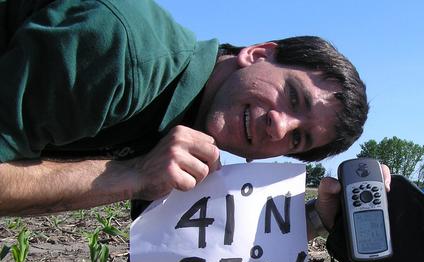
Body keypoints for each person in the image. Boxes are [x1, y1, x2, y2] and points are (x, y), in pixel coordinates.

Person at [0, 0, 388, 238]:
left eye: (298, 139)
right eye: (291, 95)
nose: (280, 126)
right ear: (255, 54)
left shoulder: (183, 132)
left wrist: (319, 219)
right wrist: (133, 175)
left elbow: (185, 260)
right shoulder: (123, 53)